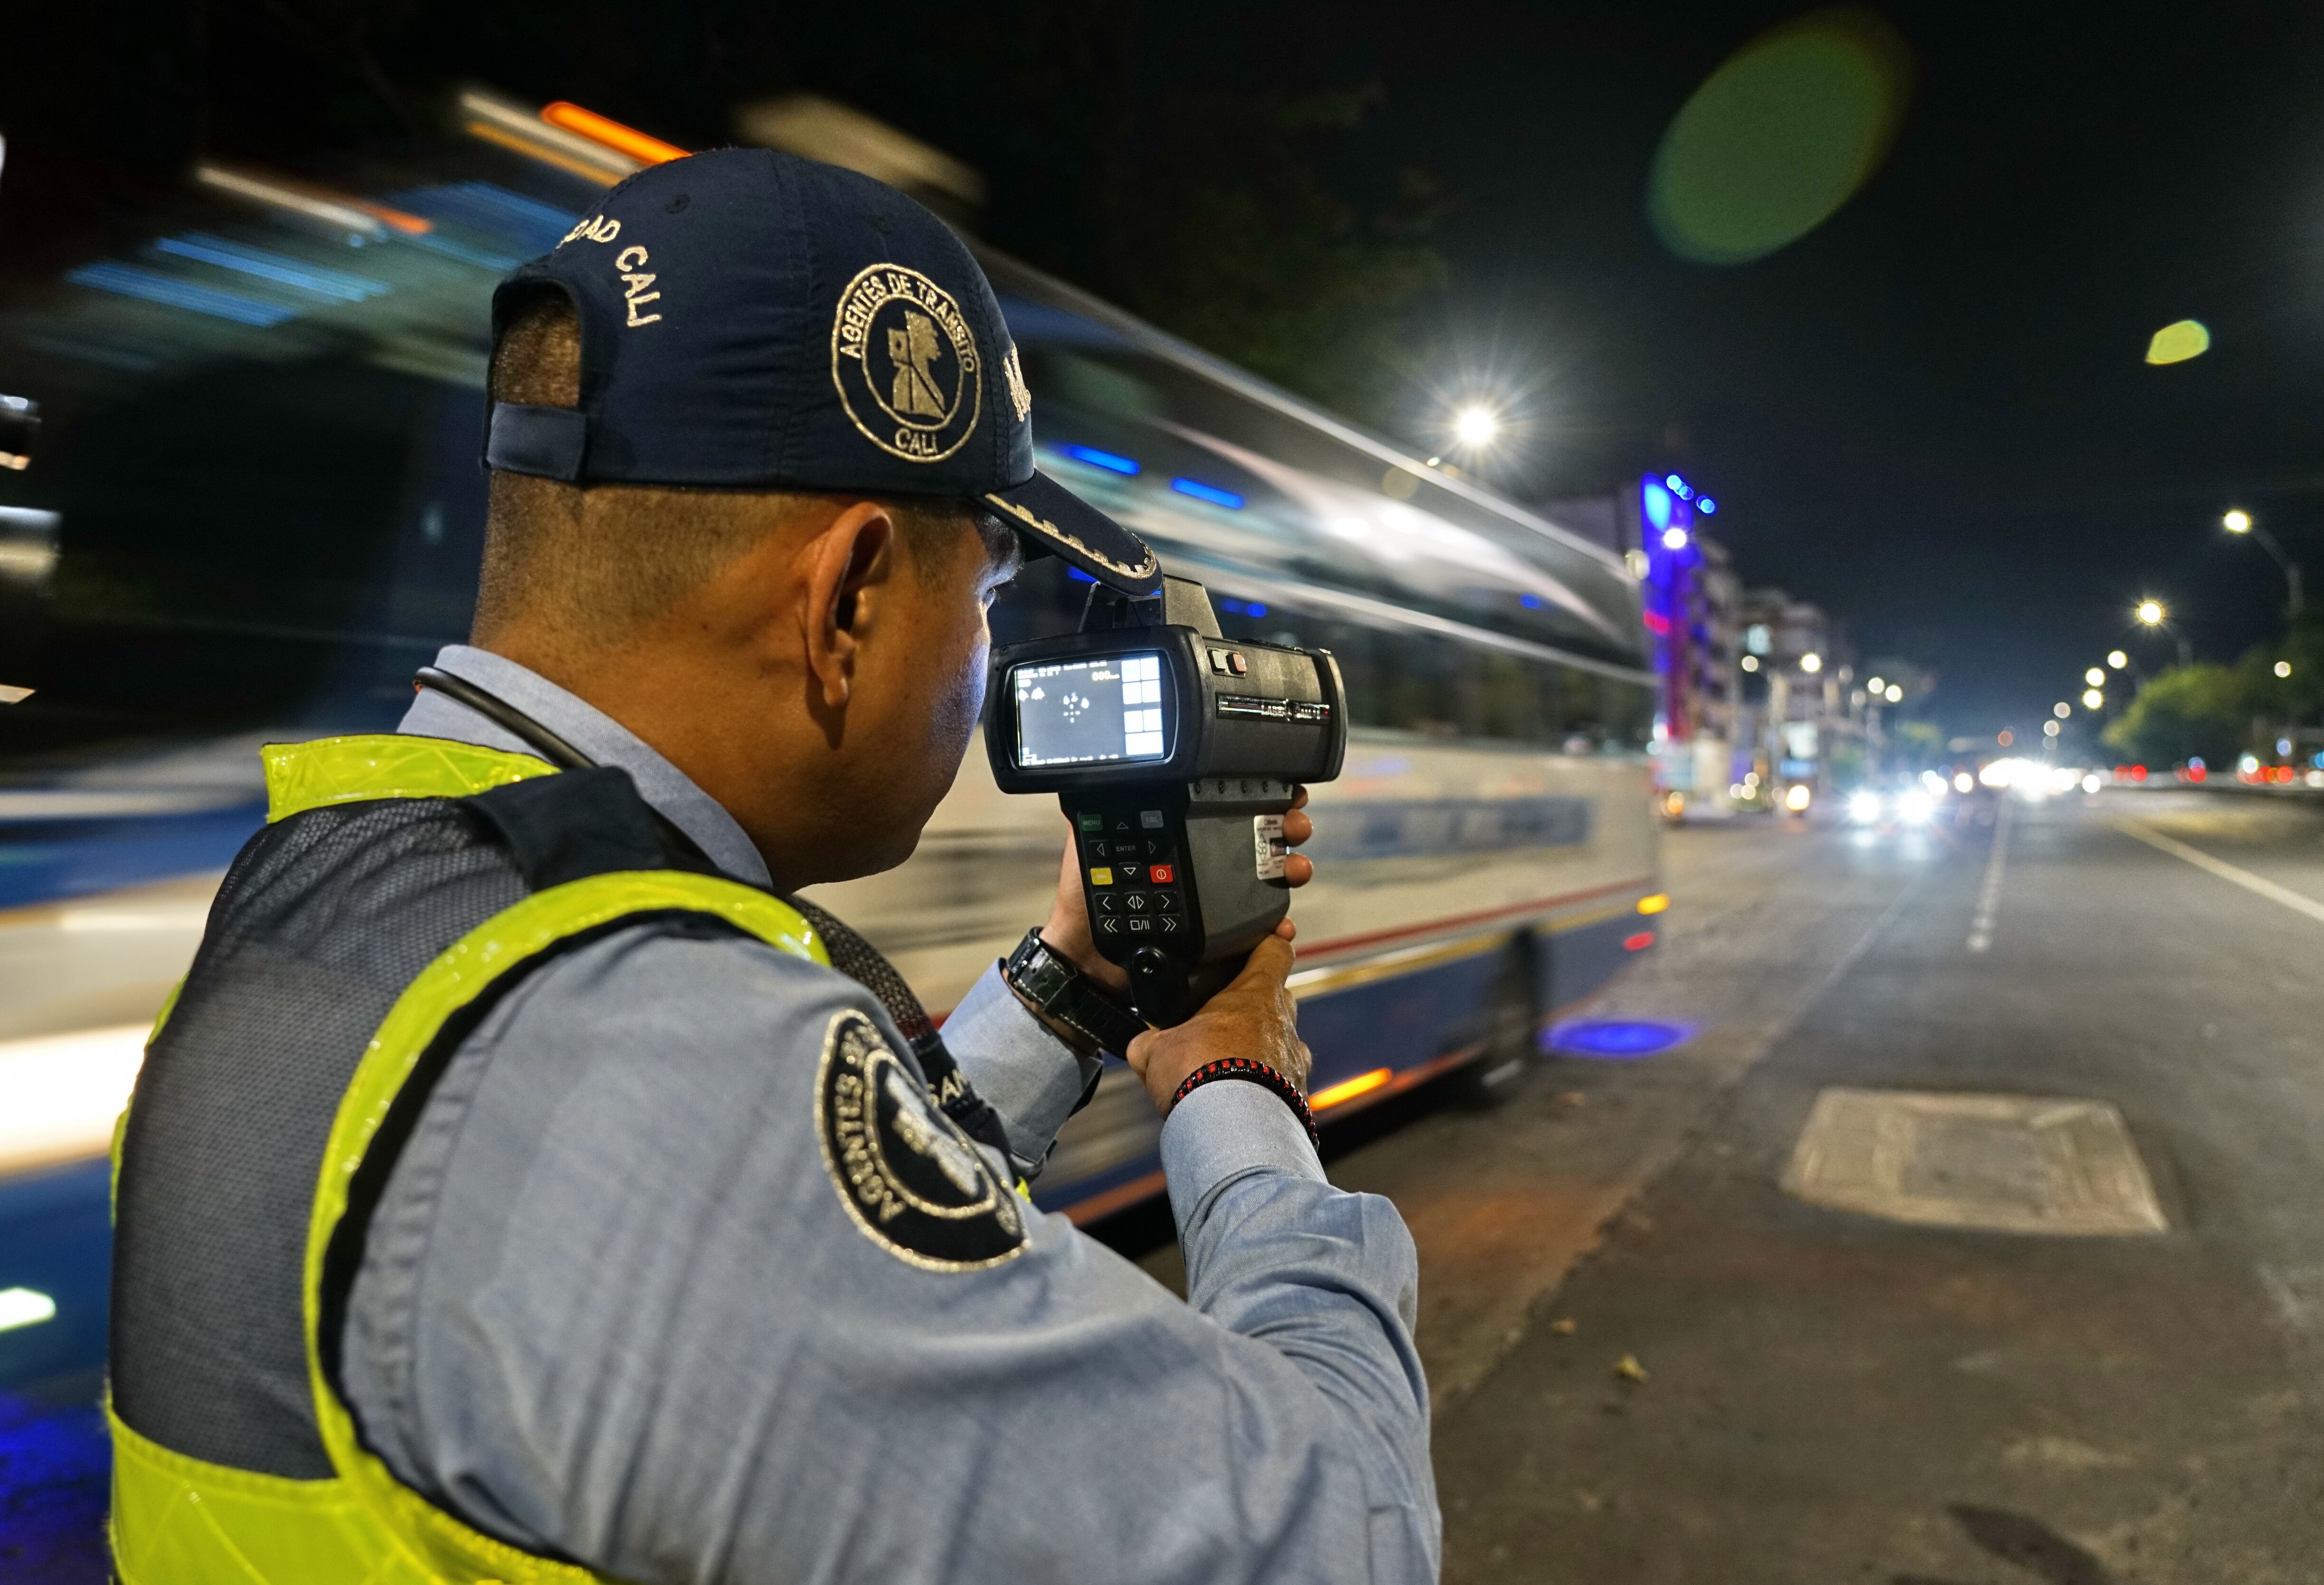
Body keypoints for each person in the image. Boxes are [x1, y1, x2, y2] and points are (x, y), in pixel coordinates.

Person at [106, 147, 1437, 1585]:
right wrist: (1234, 1087)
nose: (992, 656)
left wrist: (1069, 987)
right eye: (988, 592)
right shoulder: (663, 1063)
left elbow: (785, 1256)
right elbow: (1338, 1534)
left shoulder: (343, 882)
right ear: (848, 593)